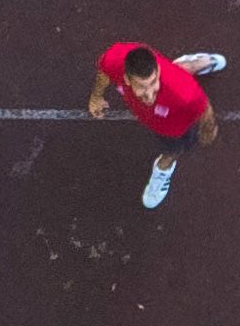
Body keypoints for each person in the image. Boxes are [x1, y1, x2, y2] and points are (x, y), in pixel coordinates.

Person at [87, 42, 227, 208]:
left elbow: (205, 108)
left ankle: (163, 169)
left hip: (172, 126)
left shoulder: (183, 93)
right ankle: (194, 63)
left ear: (158, 71)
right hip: (169, 79)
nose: (150, 95)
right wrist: (96, 97)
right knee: (176, 70)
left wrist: (207, 130)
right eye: (141, 87)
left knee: (174, 150)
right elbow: (104, 72)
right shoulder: (113, 60)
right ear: (126, 79)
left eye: (153, 83)